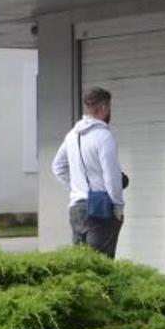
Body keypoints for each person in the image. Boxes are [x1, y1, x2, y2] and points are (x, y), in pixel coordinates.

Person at [51, 86, 125, 258]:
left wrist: (76, 188)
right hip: (100, 209)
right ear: (105, 107)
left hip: (76, 207)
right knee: (102, 267)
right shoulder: (104, 136)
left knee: (82, 268)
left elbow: (58, 166)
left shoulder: (72, 135)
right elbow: (112, 176)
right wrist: (118, 208)